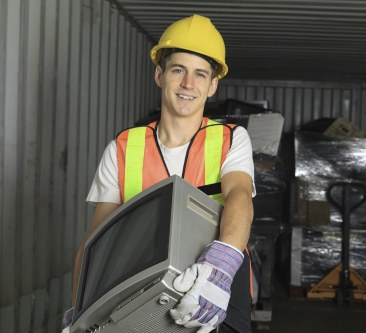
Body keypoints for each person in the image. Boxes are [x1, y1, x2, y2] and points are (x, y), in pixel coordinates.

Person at [62, 14, 255, 333]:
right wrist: (77, 312)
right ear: (159, 74)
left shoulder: (231, 139)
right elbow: (96, 242)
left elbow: (239, 196)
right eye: (178, 70)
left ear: (212, 85)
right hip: (141, 282)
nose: (188, 84)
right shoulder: (123, 147)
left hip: (217, 278)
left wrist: (220, 269)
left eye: (200, 75)